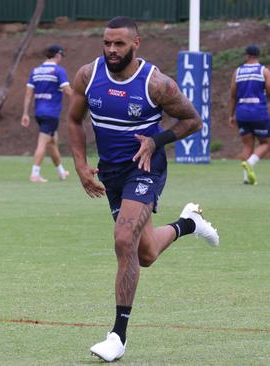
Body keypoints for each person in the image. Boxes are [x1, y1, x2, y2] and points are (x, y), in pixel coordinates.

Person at [66, 16, 219, 362]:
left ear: (136, 44)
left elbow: (193, 120)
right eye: (106, 43)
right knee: (145, 253)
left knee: (124, 241)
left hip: (146, 168)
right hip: (112, 173)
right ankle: (188, 224)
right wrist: (79, 166)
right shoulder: (88, 76)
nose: (111, 50)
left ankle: (117, 336)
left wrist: (156, 140)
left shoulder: (156, 83)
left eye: (119, 44)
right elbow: (74, 120)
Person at [21, 44, 72, 183]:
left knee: (52, 142)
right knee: (43, 143)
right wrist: (81, 104)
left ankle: (61, 172)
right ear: (57, 55)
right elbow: (67, 91)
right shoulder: (58, 71)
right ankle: (35, 173)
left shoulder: (35, 71)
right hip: (51, 113)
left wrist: (25, 113)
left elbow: (28, 94)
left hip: (39, 112)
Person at [228, 44, 270, 185]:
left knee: (247, 145)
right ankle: (251, 163)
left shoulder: (238, 72)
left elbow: (233, 96)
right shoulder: (263, 71)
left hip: (242, 113)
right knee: (265, 143)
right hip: (258, 112)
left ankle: (246, 178)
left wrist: (231, 115)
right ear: (257, 56)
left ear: (247, 56)